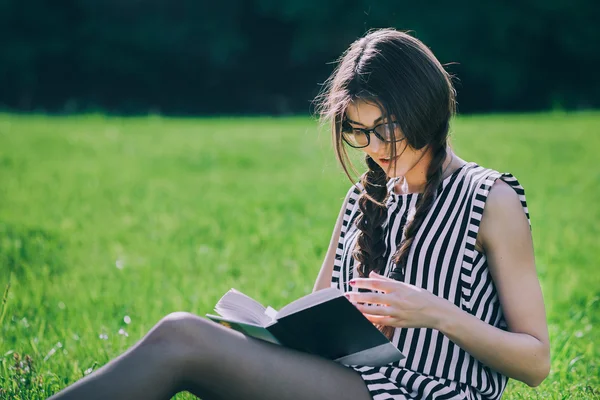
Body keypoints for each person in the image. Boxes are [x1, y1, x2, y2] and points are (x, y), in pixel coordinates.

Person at [48, 28, 549, 400]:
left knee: (183, 336)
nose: (372, 147)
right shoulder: (363, 199)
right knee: (197, 338)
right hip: (352, 384)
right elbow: (315, 318)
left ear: (426, 109)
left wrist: (434, 313)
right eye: (357, 130)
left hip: (423, 394)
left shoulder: (490, 198)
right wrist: (266, 333)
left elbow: (536, 362)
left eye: (385, 127)